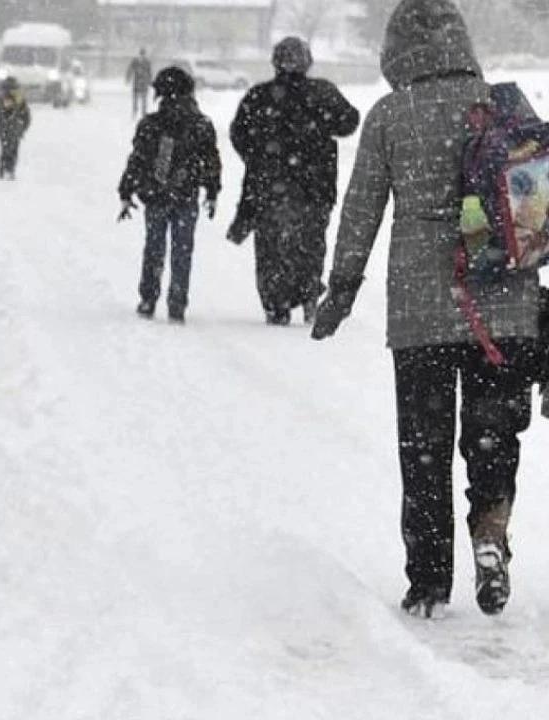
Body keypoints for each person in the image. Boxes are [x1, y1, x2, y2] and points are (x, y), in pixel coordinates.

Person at [311, 0, 539, 619]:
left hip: (421, 311)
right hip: (505, 305)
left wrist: (342, 286)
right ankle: (490, 535)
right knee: (492, 438)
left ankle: (429, 582)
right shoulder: (502, 104)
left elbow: (361, 209)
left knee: (425, 448)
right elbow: (535, 203)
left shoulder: (390, 115)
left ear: (395, 51)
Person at [230, 37, 360, 326]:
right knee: (310, 244)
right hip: (315, 187)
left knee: (271, 247)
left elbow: (238, 133)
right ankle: (308, 292)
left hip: (269, 187)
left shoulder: (259, 96)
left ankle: (276, 303)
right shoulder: (322, 92)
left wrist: (258, 158)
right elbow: (349, 122)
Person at [118, 67, 221, 324]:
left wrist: (127, 189)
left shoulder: (151, 124)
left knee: (154, 247)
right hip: (186, 195)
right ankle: (177, 302)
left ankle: (148, 297)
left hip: (156, 194)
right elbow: (211, 161)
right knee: (182, 250)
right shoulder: (201, 125)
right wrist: (212, 190)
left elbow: (138, 160)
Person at [0, 76, 31, 180]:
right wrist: (23, 127)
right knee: (13, 149)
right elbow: (26, 116)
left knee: (5, 148)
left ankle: (4, 168)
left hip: (4, 129)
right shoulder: (20, 100)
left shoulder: (1, 99)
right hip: (15, 129)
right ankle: (9, 169)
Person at [126, 48, 153, 118]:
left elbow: (149, 72)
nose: (142, 56)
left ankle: (143, 112)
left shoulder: (147, 62)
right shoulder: (135, 61)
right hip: (137, 82)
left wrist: (150, 81)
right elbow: (130, 69)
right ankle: (135, 112)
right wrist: (128, 77)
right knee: (136, 98)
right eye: (141, 54)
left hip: (143, 83)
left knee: (144, 99)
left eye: (143, 54)